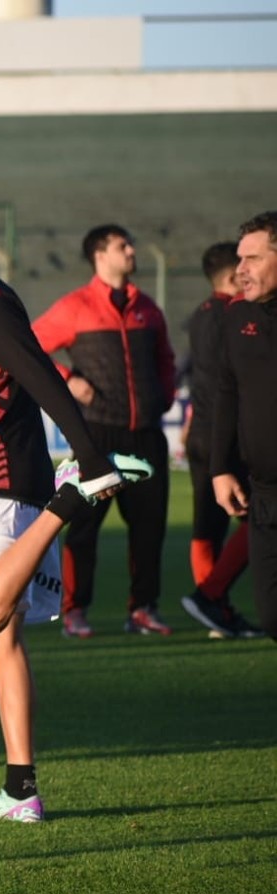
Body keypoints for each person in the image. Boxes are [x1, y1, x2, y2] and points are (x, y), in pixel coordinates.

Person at [0, 195, 145, 824]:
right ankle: (21, 790)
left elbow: (41, 375)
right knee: (1, 640)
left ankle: (70, 498)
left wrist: (89, 461)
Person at [31, 224, 177, 637]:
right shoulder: (75, 306)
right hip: (96, 436)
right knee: (82, 529)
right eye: (122, 246)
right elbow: (29, 347)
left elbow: (166, 358)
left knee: (150, 530)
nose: (131, 251)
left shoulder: (147, 307)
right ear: (100, 255)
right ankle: (74, 610)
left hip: (147, 435)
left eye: (130, 244)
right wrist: (68, 379)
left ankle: (144, 609)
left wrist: (163, 397)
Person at [178, 242, 263, 638]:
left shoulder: (199, 316)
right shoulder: (236, 316)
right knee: (261, 516)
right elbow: (228, 384)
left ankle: (214, 609)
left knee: (207, 525)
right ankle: (211, 597)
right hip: (224, 434)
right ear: (233, 275)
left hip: (202, 430)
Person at [210, 210, 277, 643]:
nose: (240, 270)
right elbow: (227, 392)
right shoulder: (237, 317)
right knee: (271, 616)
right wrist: (221, 468)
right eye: (239, 258)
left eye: (252, 258)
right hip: (264, 494)